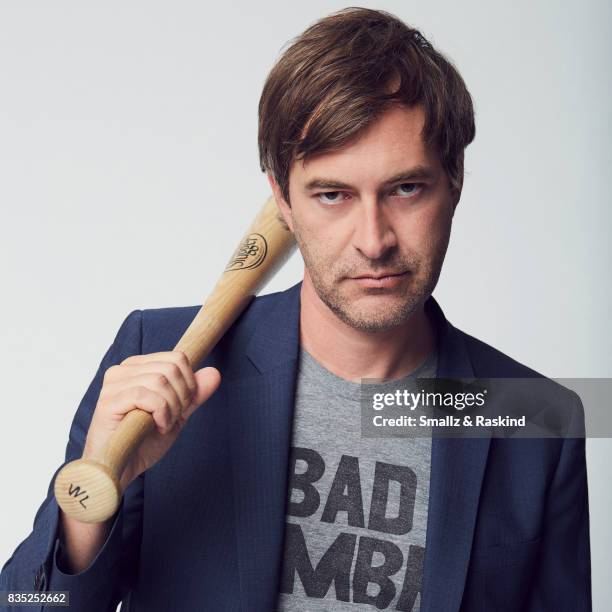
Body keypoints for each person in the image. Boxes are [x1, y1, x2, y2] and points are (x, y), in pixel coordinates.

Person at [0, 7, 591, 612]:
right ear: (281, 197)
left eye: (406, 188)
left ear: (455, 181)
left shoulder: (537, 419)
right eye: (332, 194)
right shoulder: (158, 358)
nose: (373, 239)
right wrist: (91, 503)